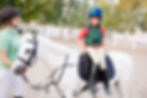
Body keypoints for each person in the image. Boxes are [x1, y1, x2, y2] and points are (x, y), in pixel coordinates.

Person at [78, 7, 110, 94]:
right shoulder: (86, 28)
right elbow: (80, 38)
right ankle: (91, 82)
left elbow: (103, 38)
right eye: (93, 18)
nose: (94, 20)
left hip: (99, 47)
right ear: (90, 18)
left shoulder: (101, 28)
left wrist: (104, 47)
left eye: (96, 19)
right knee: (95, 61)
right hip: (89, 47)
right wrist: (82, 48)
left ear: (99, 20)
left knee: (103, 63)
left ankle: (107, 84)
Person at [0, 6, 24, 98]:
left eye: (17, 16)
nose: (18, 19)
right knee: (3, 95)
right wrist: (15, 66)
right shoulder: (4, 36)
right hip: (5, 70)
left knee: (19, 92)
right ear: (7, 21)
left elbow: (17, 52)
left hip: (14, 69)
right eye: (15, 17)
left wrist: (21, 65)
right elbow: (2, 57)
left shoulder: (15, 32)